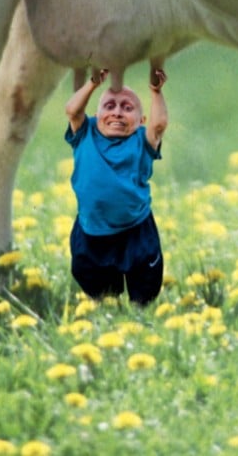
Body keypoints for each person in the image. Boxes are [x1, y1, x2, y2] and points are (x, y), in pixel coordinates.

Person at [64, 67, 168, 305]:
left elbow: (159, 125)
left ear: (141, 121)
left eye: (127, 108)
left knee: (144, 290)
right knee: (97, 287)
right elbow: (71, 109)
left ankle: (141, 315)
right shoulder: (85, 133)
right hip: (93, 230)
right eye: (109, 106)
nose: (118, 113)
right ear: (96, 114)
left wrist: (156, 92)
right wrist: (92, 84)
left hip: (135, 229)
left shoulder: (141, 140)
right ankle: (108, 310)